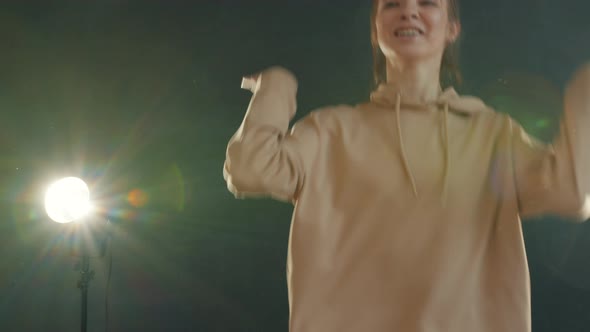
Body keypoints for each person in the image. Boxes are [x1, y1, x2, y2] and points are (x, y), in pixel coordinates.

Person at [223, 0, 590, 331]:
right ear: (375, 29)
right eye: (392, 4)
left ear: (452, 28)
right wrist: (276, 86)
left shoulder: (494, 134)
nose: (408, 10)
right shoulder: (329, 131)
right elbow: (249, 170)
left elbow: (572, 193)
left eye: (427, 3)